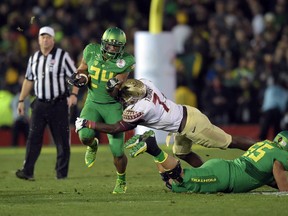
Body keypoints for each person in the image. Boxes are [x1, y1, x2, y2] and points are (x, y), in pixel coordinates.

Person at [75, 78, 255, 168]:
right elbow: (127, 86)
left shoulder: (141, 109)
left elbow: (115, 128)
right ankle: (205, 172)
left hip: (192, 126)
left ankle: (266, 149)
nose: (123, 98)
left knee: (230, 141)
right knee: (181, 153)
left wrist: (88, 124)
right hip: (185, 116)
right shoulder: (145, 83)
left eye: (124, 96)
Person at [67, 27, 135, 194]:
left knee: (118, 151)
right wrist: (81, 77)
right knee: (84, 136)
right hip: (93, 103)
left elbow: (116, 88)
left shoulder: (125, 60)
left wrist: (114, 85)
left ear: (122, 47)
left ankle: (121, 179)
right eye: (110, 45)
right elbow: (82, 68)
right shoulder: (91, 50)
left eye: (116, 46)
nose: (112, 49)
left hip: (112, 105)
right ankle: (92, 145)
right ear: (103, 43)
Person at [124, 130, 288, 193]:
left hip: (224, 168)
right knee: (179, 180)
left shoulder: (265, 145)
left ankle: (151, 147)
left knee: (171, 183)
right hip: (225, 177)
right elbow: (279, 174)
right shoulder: (280, 156)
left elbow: (271, 176)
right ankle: (153, 148)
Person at [15, 26, 79, 180]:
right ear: (38, 39)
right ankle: (27, 171)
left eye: (48, 37)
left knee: (62, 140)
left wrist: (74, 94)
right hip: (40, 103)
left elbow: (76, 76)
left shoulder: (62, 56)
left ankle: (61, 174)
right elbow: (29, 80)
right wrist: (21, 100)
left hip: (58, 103)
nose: (45, 39)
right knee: (33, 138)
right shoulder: (34, 58)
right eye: (42, 37)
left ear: (53, 39)